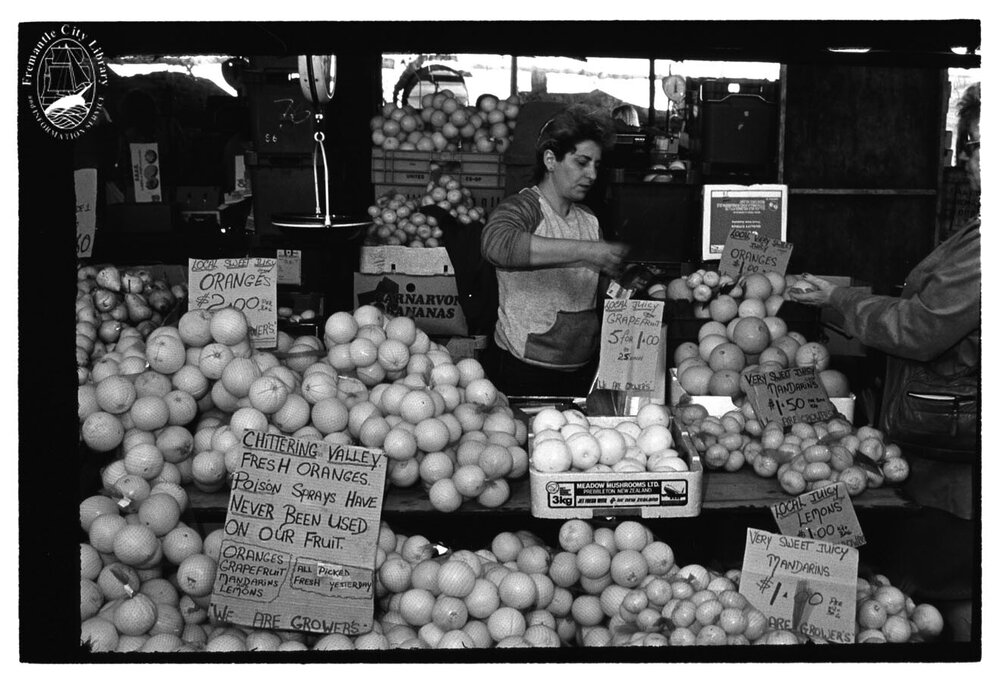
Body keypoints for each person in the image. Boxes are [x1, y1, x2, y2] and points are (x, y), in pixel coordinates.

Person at [790, 83, 980, 641]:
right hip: (941, 436)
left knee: (943, 590)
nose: (969, 158)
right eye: (969, 144)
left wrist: (837, 300)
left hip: (955, 445)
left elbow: (921, 328)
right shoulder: (978, 225)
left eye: (981, 145)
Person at [480, 104, 630, 396]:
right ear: (551, 160)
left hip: (580, 369)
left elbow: (595, 285)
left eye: (596, 166)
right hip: (523, 368)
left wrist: (624, 286)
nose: (592, 174)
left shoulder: (589, 219)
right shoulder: (524, 208)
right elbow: (497, 244)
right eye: (582, 162)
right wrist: (586, 251)